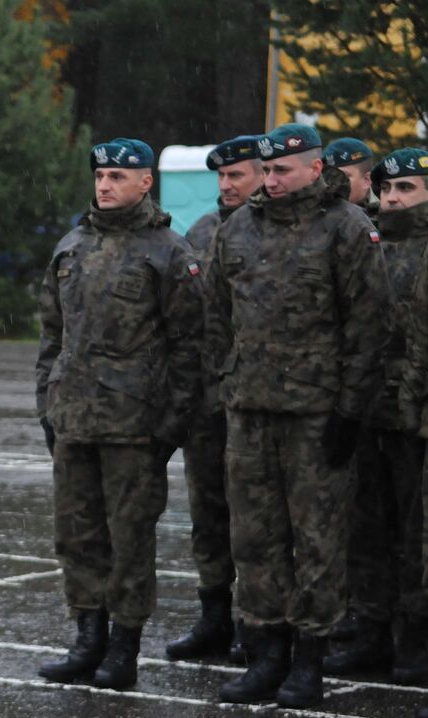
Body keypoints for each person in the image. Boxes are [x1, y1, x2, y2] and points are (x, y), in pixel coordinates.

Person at [208, 124, 389, 708]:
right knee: (255, 540)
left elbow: (370, 327)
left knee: (317, 540)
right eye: (267, 171)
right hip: (251, 411)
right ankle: (267, 656)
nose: (272, 180)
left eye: (283, 170)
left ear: (315, 169)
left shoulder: (346, 228)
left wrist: (349, 410)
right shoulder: (239, 228)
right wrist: (226, 381)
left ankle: (309, 662)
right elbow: (215, 314)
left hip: (316, 414)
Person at [34, 139, 205, 691]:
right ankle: (88, 637)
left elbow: (189, 346)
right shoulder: (72, 246)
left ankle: (124, 648)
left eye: (117, 176)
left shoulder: (169, 252)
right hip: (74, 421)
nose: (105, 185)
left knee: (130, 540)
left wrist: (170, 426)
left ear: (145, 182)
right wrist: (47, 405)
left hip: (134, 427)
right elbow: (51, 336)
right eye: (100, 175)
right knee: (77, 537)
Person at [166, 135, 265, 664]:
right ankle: (214, 617)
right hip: (207, 402)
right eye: (221, 178)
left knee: (261, 520)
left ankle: (261, 625)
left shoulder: (275, 231)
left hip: (259, 400)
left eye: (237, 177)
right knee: (209, 512)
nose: (227, 187)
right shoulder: (202, 231)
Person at [362, 148, 428, 690]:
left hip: (416, 414)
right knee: (368, 528)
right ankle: (372, 631)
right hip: (367, 410)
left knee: (415, 534)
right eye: (386, 189)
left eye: (406, 188)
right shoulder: (369, 247)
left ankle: (414, 639)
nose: (391, 199)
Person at [323, 137, 378, 218]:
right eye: (327, 176)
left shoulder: (387, 211)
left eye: (342, 176)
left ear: (366, 180)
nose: (332, 183)